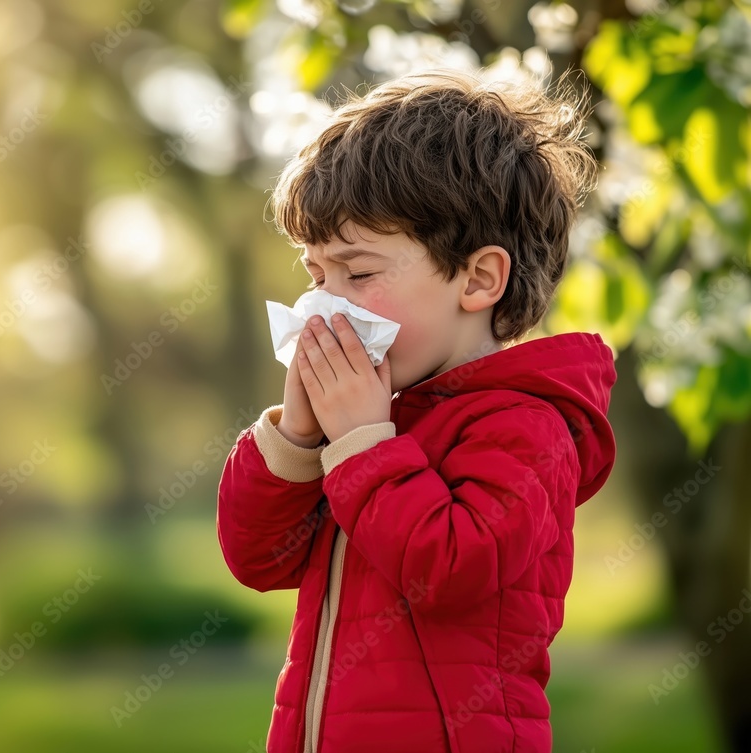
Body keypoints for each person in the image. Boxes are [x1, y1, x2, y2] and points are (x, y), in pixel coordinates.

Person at [215, 68, 617, 753]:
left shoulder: (530, 426)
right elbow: (259, 557)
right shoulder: (373, 423)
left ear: (479, 279)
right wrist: (302, 437)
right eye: (316, 275)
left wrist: (365, 444)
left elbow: (451, 569)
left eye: (359, 273)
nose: (323, 305)